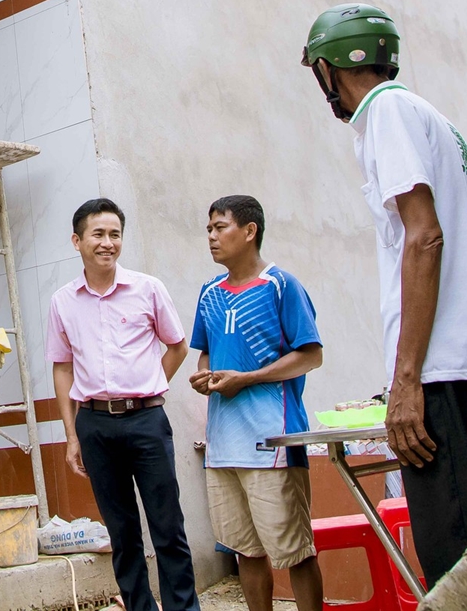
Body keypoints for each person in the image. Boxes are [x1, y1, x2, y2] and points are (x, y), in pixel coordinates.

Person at [300, 3, 467, 584]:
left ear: (329, 68)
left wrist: (406, 380)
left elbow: (424, 238)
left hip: (442, 365)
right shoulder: (426, 113)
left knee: (455, 560)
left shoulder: (388, 113)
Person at [46, 198, 200, 611]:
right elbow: (62, 368)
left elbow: (177, 346)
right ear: (77, 241)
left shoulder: (147, 288)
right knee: (122, 530)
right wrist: (71, 433)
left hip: (147, 420)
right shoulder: (63, 301)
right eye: (98, 234)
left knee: (168, 526)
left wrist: (149, 387)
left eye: (115, 234)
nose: (107, 243)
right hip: (94, 425)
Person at [189, 195, 324, 611]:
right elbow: (206, 353)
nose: (211, 236)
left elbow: (311, 354)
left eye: (220, 227)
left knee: (295, 550)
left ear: (249, 232)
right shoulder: (209, 291)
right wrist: (206, 378)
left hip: (273, 441)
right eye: (208, 228)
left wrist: (247, 379)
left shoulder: (281, 285)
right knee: (245, 551)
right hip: (223, 445)